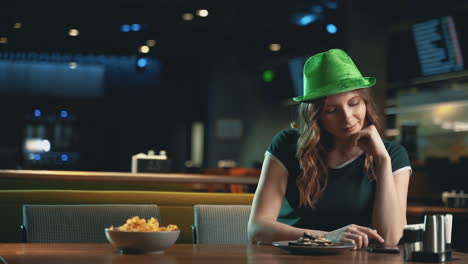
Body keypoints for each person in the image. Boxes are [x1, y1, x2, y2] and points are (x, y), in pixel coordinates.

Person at [247, 49, 412, 249]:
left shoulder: (392, 154)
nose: (348, 117)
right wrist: (329, 237)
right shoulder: (287, 145)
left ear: (365, 103)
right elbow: (257, 230)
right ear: (316, 117)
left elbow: (390, 240)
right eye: (332, 110)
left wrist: (383, 162)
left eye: (354, 103)